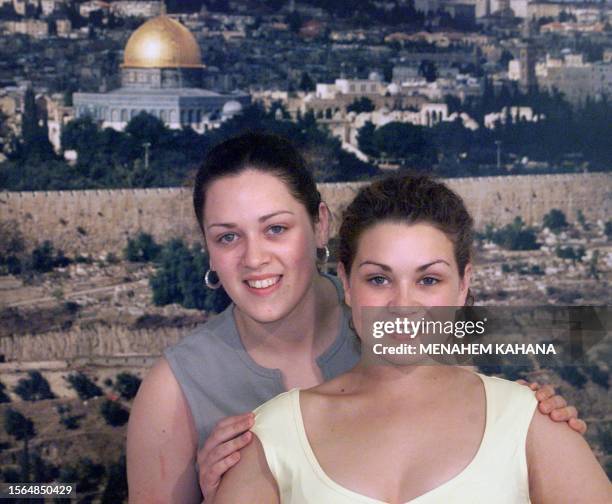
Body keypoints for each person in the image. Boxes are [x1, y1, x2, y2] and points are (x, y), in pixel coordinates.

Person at [127, 134, 587, 503]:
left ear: (320, 225)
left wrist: (533, 417)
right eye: (228, 237)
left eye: (276, 229)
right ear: (207, 247)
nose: (255, 258)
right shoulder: (174, 389)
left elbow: (481, 413)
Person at [214, 174, 610, 504]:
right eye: (379, 279)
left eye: (428, 280)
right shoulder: (270, 437)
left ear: (462, 286)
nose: (403, 304)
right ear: (347, 284)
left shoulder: (531, 425)